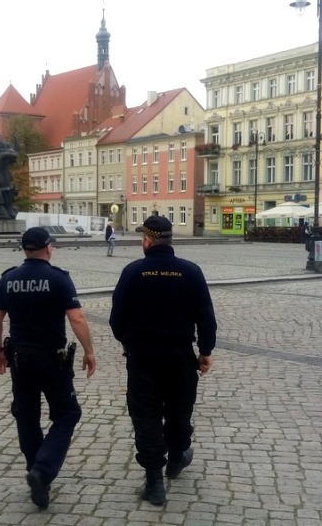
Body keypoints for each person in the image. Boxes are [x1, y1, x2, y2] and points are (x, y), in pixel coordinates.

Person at [109, 215, 217, 506]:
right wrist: (205, 353)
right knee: (179, 412)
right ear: (169, 239)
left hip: (143, 358)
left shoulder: (132, 272)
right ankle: (178, 456)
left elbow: (116, 319)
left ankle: (155, 482)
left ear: (147, 240)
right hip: (179, 357)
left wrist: (128, 344)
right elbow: (206, 319)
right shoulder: (191, 272)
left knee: (146, 417)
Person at [0, 226, 96, 510]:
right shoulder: (58, 279)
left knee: (26, 415)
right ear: (48, 247)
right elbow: (77, 318)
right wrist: (89, 351)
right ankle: (43, 470)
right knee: (67, 413)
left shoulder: (8, 279)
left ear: (24, 249)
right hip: (52, 359)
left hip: (20, 359)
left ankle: (36, 470)